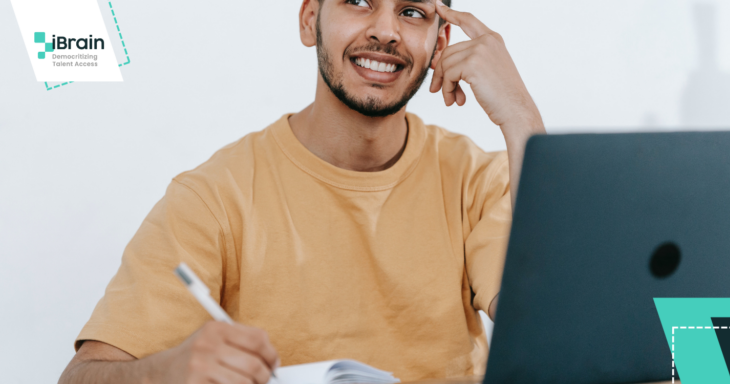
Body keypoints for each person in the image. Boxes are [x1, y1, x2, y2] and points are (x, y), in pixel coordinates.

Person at [58, 1, 545, 383]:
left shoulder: (481, 182)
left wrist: (522, 120)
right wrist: (165, 374)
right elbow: (82, 377)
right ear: (310, 19)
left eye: (411, 12)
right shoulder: (214, 197)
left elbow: (558, 337)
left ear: (440, 44)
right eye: (358, 1)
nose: (386, 31)